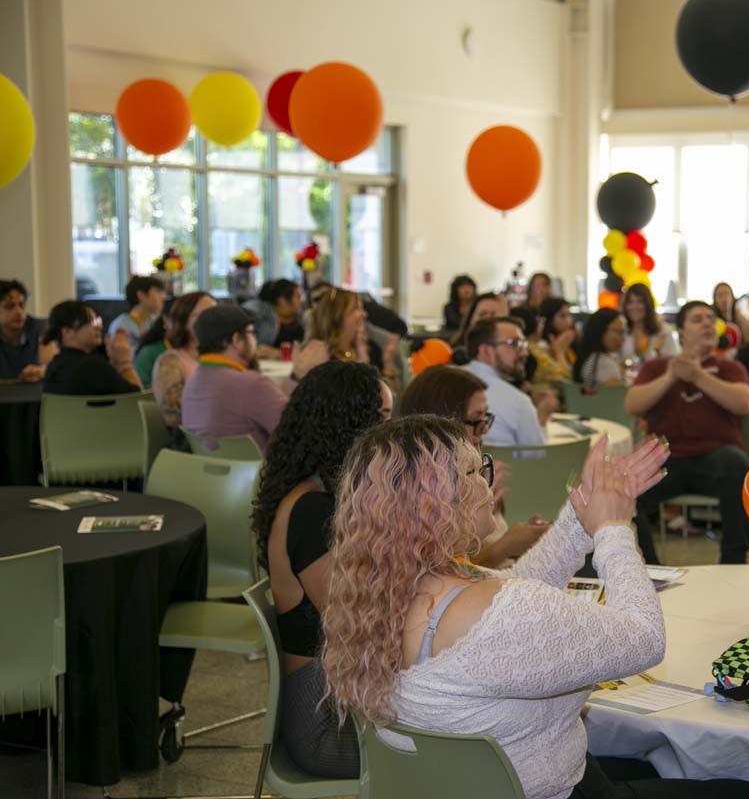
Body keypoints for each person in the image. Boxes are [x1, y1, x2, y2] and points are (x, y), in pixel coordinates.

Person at [321, 415, 749, 799]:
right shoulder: (494, 613)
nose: (488, 482)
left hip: (479, 785)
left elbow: (509, 597)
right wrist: (613, 529)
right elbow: (645, 639)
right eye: (475, 470)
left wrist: (579, 515)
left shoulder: (389, 592)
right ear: (435, 504)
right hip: (546, 789)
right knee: (745, 789)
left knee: (656, 764)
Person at [249, 360, 392, 779]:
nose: (392, 428)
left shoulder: (329, 493)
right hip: (324, 725)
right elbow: (361, 621)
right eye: (381, 417)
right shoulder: (311, 511)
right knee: (490, 750)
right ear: (348, 423)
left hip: (349, 704)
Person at [626, 301, 749, 565]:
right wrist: (671, 376)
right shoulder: (658, 367)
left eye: (711, 318)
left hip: (716, 460)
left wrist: (697, 375)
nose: (708, 323)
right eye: (698, 319)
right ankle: (648, 568)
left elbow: (743, 403)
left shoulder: (729, 368)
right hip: (666, 460)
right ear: (681, 332)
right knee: (624, 485)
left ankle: (733, 562)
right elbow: (632, 405)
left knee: (737, 465)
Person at [399, 364, 554, 567]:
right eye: (475, 420)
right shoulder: (417, 494)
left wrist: (521, 538)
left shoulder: (469, 471)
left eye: (485, 418)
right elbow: (443, 581)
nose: (484, 431)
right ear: (440, 425)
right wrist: (506, 545)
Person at [181, 305, 324, 451]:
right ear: (237, 340)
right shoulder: (249, 384)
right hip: (259, 472)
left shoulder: (192, 382)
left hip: (213, 472)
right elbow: (300, 431)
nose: (256, 340)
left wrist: (296, 376)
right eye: (252, 333)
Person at [465, 317, 552, 446]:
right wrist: (542, 417)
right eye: (515, 344)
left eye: (524, 344)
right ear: (486, 351)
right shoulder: (518, 402)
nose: (525, 352)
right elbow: (537, 456)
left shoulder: (443, 382)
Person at [309, 287, 400, 389]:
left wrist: (389, 364)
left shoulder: (372, 349)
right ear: (338, 317)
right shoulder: (320, 356)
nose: (364, 314)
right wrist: (363, 359)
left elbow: (394, 400)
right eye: (356, 309)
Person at [43, 301, 142, 395]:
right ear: (67, 332)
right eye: (91, 321)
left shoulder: (54, 366)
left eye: (97, 321)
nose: (98, 327)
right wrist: (124, 361)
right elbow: (137, 400)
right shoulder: (93, 366)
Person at [149, 292, 216, 430]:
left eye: (216, 313)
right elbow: (172, 417)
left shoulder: (222, 356)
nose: (213, 320)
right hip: (191, 439)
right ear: (184, 321)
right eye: (203, 314)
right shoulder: (170, 362)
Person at [0, 279, 53, 381]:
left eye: (21, 305)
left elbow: (50, 367)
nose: (19, 312)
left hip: (36, 394)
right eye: (9, 306)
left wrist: (40, 371)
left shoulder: (40, 328)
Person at [620, 283, 678, 365]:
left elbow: (672, 362)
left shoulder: (662, 330)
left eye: (640, 302)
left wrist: (657, 352)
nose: (634, 307)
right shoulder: (621, 330)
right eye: (630, 302)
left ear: (648, 304)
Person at [574, 309, 627, 390]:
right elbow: (618, 397)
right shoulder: (605, 364)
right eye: (620, 332)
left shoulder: (588, 357)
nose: (624, 338)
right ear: (601, 330)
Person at [108, 275, 165, 350]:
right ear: (141, 295)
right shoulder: (121, 326)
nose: (163, 297)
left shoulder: (157, 323)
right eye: (158, 292)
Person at [531, 298, 576, 385]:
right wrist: (559, 352)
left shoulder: (570, 340)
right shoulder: (542, 345)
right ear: (549, 319)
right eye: (562, 316)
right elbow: (565, 379)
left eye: (569, 315)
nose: (568, 320)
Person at [259, 279, 306, 349]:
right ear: (282, 300)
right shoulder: (262, 324)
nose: (302, 302)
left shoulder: (302, 324)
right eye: (298, 297)